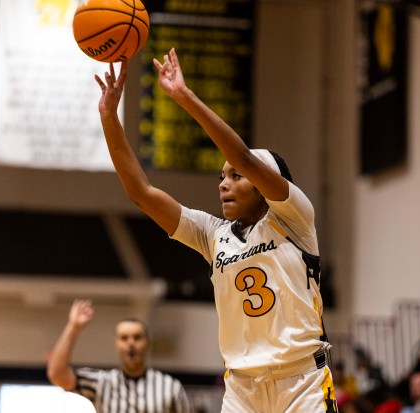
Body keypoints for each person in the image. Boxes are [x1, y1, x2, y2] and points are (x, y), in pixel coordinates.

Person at [93, 48, 337, 412]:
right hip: (242, 387)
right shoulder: (213, 234)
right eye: (221, 177)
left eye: (235, 177)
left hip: (301, 381)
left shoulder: (293, 217)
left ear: (262, 183)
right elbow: (141, 194)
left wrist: (184, 97)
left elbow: (242, 155)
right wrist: (109, 116)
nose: (223, 183)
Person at [46, 299, 193, 413]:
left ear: (147, 343)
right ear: (116, 344)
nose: (131, 343)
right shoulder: (102, 382)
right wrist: (74, 327)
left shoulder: (170, 386)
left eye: (137, 337)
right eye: (124, 338)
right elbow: (57, 374)